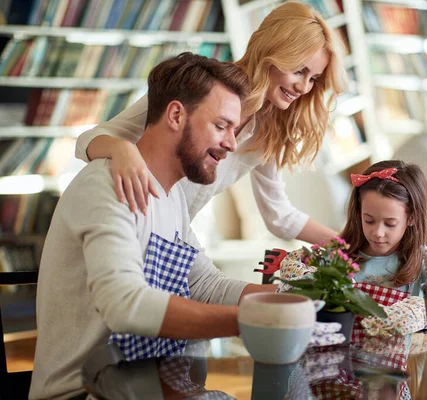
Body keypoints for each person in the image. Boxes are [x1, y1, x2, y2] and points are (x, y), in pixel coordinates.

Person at [30, 54, 274, 400]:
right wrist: (248, 322)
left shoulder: (170, 196)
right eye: (221, 126)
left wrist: (293, 301)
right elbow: (123, 302)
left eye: (234, 130)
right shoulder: (106, 186)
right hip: (85, 392)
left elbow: (205, 282)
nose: (232, 144)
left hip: (148, 386)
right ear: (176, 115)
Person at [74, 2, 347, 244]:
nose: (304, 87)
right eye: (299, 70)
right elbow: (87, 141)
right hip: (118, 221)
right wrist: (123, 150)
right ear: (271, 52)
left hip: (167, 237)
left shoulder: (267, 129)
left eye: (313, 78)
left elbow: (279, 216)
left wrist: (350, 247)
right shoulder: (195, 85)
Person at [340, 160, 427, 293]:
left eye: (390, 224)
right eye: (369, 220)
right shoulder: (340, 258)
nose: (378, 232)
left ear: (412, 218)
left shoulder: (425, 264)